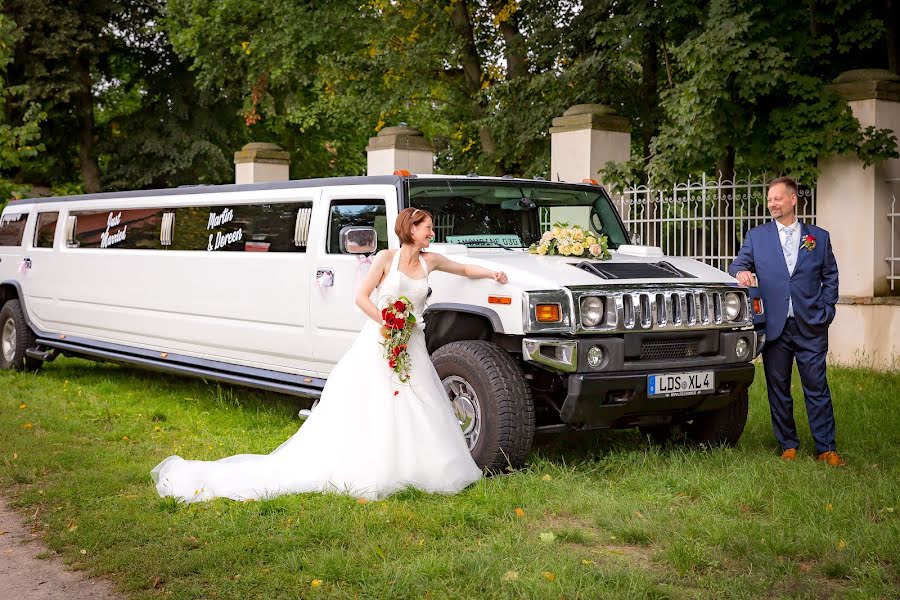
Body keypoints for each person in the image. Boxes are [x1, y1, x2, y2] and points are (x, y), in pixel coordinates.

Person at [151, 207, 510, 501]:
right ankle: (374, 467)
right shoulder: (386, 258)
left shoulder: (430, 261)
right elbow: (361, 297)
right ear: (410, 229)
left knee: (417, 399)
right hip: (381, 338)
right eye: (427, 227)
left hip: (412, 342)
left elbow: (463, 269)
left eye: (430, 228)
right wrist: (387, 322)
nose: (431, 232)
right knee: (376, 401)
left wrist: (493, 272)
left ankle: (423, 468)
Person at [729, 177, 845, 466]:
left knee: (817, 387)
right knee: (778, 388)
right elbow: (738, 264)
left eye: (777, 198)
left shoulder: (818, 237)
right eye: (769, 199)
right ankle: (788, 445)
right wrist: (741, 273)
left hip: (811, 325)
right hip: (775, 327)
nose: (772, 204)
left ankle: (826, 448)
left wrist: (827, 309)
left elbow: (830, 275)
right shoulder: (758, 237)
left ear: (793, 199)